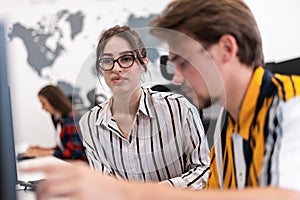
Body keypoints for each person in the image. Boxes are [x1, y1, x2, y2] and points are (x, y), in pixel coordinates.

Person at [23, 0, 300, 199]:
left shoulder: (293, 104)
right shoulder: (229, 124)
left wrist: (125, 192)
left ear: (227, 48)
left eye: (184, 61)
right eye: (107, 62)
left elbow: (285, 195)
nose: (177, 79)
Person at [78, 25, 210, 189]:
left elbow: (204, 170)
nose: (116, 68)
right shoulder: (90, 123)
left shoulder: (178, 109)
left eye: (126, 59)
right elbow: (105, 184)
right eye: (107, 61)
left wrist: (159, 192)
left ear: (144, 64)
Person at [23, 85, 87, 162]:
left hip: (81, 168)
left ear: (53, 101)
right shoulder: (61, 120)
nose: (42, 108)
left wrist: (44, 153)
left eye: (43, 103)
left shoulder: (72, 119)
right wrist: (42, 149)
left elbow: (76, 153)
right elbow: (64, 148)